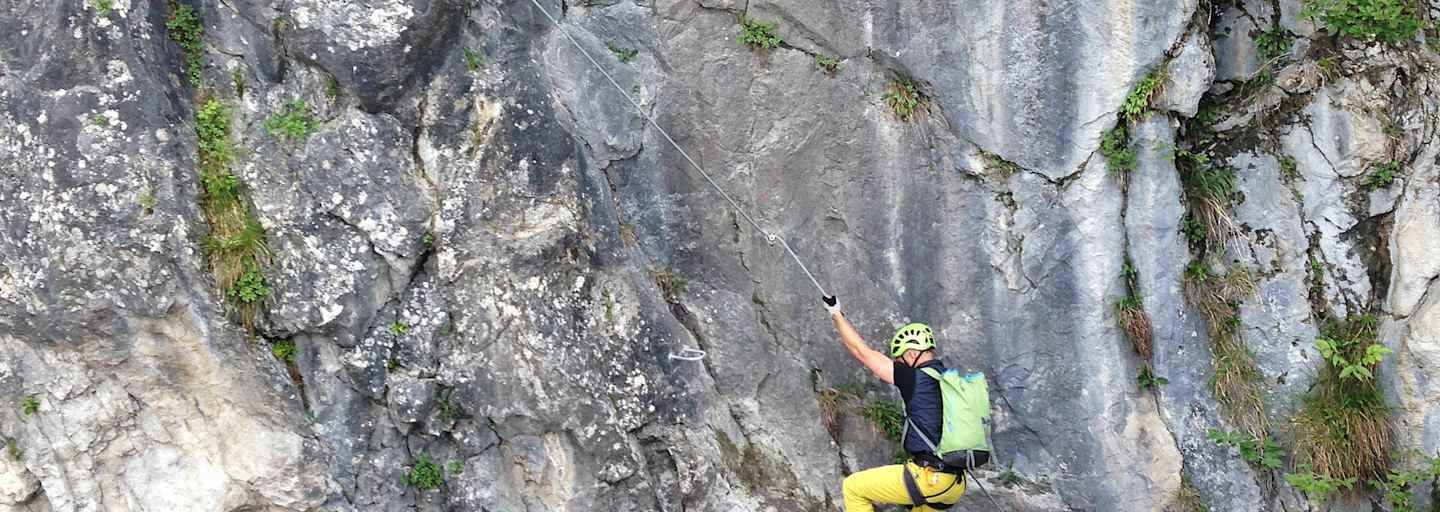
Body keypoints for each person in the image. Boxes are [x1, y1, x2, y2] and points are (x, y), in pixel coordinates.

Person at [822, 295, 966, 511]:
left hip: (929, 478)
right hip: (954, 483)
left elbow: (862, 353)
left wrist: (836, 314)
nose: (898, 365)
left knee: (853, 488)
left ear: (910, 354)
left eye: (899, 359)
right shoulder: (949, 379)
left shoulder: (916, 378)